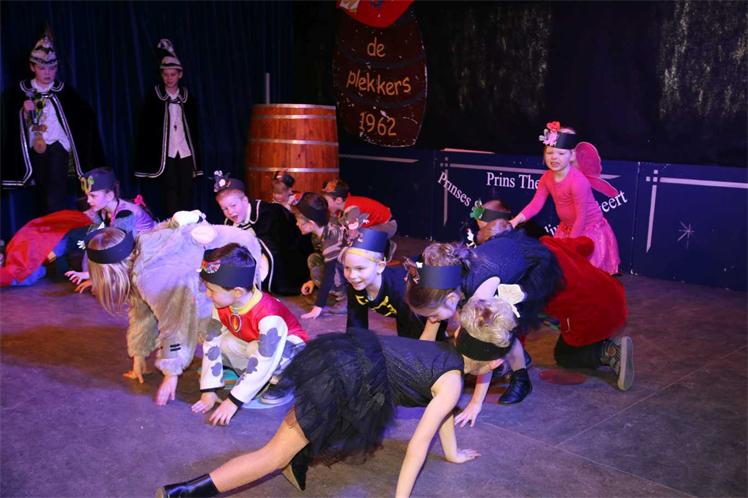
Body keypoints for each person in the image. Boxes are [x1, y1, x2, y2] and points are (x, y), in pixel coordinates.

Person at [157, 297, 522, 498]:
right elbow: (417, 446)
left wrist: (453, 454)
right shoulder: (453, 381)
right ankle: (184, 493)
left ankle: (297, 459)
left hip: (343, 361)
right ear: (493, 362)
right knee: (272, 455)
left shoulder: (443, 352)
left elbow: (442, 415)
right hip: (342, 382)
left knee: (323, 433)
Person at [84, 214, 262, 406]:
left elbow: (175, 321)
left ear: (108, 273)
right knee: (201, 307)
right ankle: (229, 358)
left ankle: (249, 369)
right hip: (225, 253)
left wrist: (171, 372)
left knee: (208, 322)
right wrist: (139, 354)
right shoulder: (139, 256)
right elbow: (142, 312)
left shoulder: (154, 274)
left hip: (236, 255)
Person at [404, 232, 562, 406]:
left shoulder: (480, 296)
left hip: (528, 269)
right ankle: (509, 360)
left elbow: (483, 350)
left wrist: (475, 404)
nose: (432, 320)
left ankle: (521, 378)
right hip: (498, 257)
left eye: (433, 315)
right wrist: (414, 375)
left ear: (451, 299)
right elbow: (427, 338)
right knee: (469, 334)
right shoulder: (440, 291)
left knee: (504, 335)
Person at [192, 243, 307, 424]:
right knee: (224, 342)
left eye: (212, 290)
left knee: (257, 350)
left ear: (237, 292)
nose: (207, 294)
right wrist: (209, 389)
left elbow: (265, 358)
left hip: (291, 351)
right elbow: (211, 342)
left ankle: (283, 383)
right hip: (255, 345)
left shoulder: (268, 315)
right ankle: (250, 377)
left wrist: (233, 401)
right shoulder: (222, 304)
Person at [2, 30, 105, 214]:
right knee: (42, 196)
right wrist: (22, 111)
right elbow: (7, 121)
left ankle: (58, 229)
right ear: (32, 67)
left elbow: (84, 119)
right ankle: (49, 229)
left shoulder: (65, 92)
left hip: (58, 146)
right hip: (35, 148)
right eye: (42, 68)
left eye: (52, 68)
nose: (48, 73)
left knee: (55, 196)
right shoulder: (20, 92)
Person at [509, 121, 621, 274]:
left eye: (561, 153)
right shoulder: (546, 178)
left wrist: (570, 245)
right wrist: (515, 220)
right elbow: (535, 204)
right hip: (567, 228)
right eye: (550, 153)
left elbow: (581, 217)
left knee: (584, 274)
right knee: (562, 272)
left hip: (586, 230)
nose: (554, 157)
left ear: (571, 155)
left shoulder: (578, 181)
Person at [213, 171, 312, 295]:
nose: (230, 212)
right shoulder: (229, 222)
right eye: (225, 208)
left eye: (233, 205)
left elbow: (277, 249)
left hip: (289, 261)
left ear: (245, 201)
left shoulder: (269, 213)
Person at [135, 39, 201, 220]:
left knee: (186, 188)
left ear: (180, 75)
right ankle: (174, 223)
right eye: (165, 74)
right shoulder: (155, 96)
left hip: (184, 150)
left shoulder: (187, 97)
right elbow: (148, 128)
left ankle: (188, 222)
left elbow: (194, 128)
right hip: (166, 152)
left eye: (173, 74)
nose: (169, 78)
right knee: (169, 189)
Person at [343, 228, 447, 340]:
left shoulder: (400, 291)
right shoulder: (357, 284)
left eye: (360, 268)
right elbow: (356, 327)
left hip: (434, 291)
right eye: (347, 267)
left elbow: (412, 339)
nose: (352, 275)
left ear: (380, 266)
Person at [64, 167, 156, 291]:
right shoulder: (99, 212)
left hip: (144, 256)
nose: (88, 201)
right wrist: (90, 274)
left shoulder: (125, 213)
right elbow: (92, 245)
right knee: (92, 241)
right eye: (87, 196)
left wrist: (93, 277)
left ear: (109, 196)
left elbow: (120, 253)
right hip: (124, 254)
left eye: (93, 196)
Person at [294, 192, 351, 319]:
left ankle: (344, 299)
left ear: (311, 224)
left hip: (351, 271)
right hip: (342, 267)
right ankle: (333, 294)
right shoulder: (323, 228)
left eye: (299, 221)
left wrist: (318, 307)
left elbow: (330, 273)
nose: (297, 224)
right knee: (314, 259)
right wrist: (311, 281)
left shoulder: (331, 239)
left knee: (323, 270)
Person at [321, 178, 397, 237]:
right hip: (373, 224)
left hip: (387, 225)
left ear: (338, 200)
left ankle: (386, 247)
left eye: (326, 201)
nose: (323, 204)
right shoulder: (341, 207)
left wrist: (352, 229)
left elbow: (353, 213)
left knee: (359, 237)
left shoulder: (351, 208)